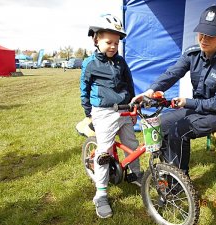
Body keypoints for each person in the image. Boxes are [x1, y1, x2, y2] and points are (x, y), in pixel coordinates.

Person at [131, 6, 216, 177]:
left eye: (211, 35)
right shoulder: (193, 53)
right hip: (200, 109)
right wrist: (150, 91)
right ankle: (169, 170)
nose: (204, 39)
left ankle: (179, 182)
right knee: (160, 123)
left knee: (179, 130)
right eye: (201, 33)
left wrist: (187, 102)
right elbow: (172, 74)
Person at [80, 14, 143, 219]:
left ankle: (134, 174)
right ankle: (101, 193)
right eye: (109, 42)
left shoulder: (121, 62)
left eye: (116, 43)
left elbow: (129, 84)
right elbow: (84, 88)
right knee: (104, 152)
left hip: (125, 109)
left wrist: (134, 107)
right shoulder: (90, 64)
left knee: (132, 144)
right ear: (96, 40)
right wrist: (89, 112)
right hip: (104, 112)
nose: (113, 46)